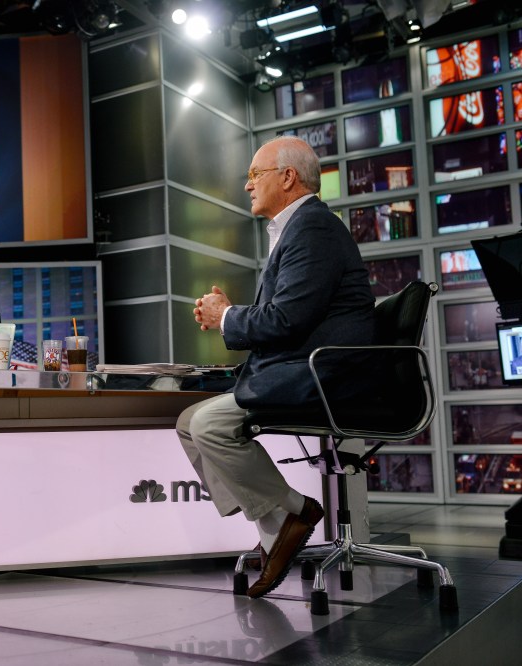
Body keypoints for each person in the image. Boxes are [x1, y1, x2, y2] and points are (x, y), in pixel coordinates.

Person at [176, 136, 375, 599]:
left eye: (254, 174)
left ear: (287, 177)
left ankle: (294, 513)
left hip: (325, 379)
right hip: (306, 369)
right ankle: (276, 525)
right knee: (189, 422)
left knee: (207, 424)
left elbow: (287, 320)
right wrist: (229, 315)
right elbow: (289, 316)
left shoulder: (313, 229)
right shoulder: (300, 228)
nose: (247, 185)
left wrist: (226, 316)